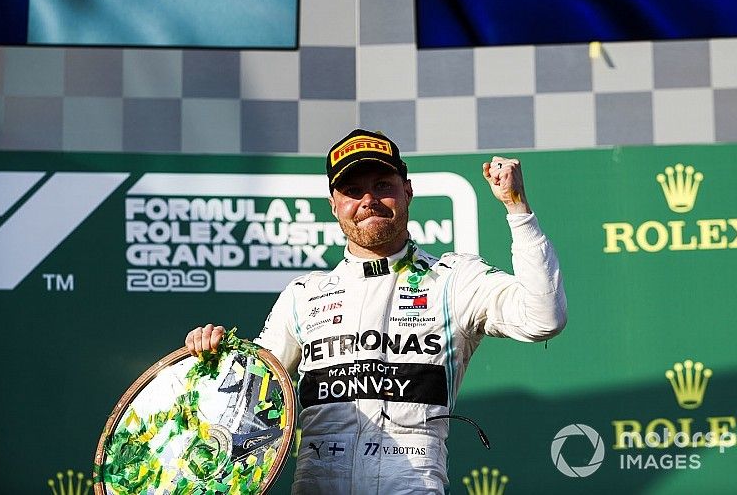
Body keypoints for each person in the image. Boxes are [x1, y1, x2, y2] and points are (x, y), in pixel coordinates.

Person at [186, 128, 567, 494]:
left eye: (382, 185)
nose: (368, 199)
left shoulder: (454, 279)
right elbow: (251, 398)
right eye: (352, 190)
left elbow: (544, 317)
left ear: (407, 191)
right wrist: (213, 360)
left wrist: (518, 210)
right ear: (334, 206)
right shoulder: (303, 295)